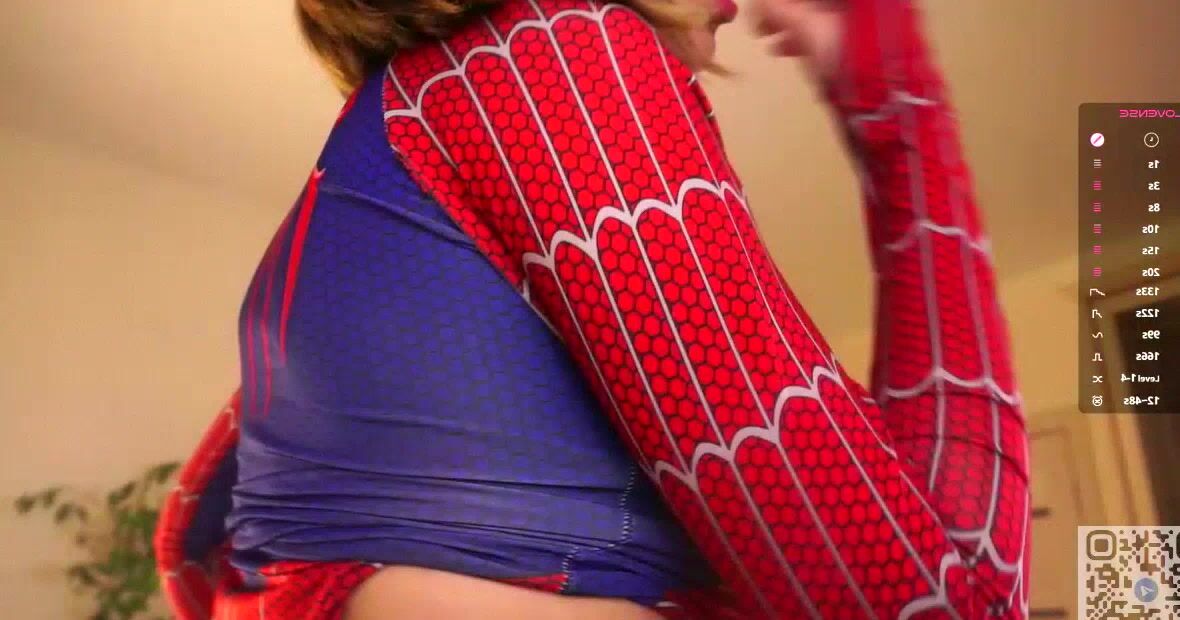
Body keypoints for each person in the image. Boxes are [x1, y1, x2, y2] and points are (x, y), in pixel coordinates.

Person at [154, 0, 1031, 617]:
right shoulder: (546, 53)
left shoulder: (373, 168)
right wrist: (900, 103)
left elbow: (196, 543)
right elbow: (944, 601)